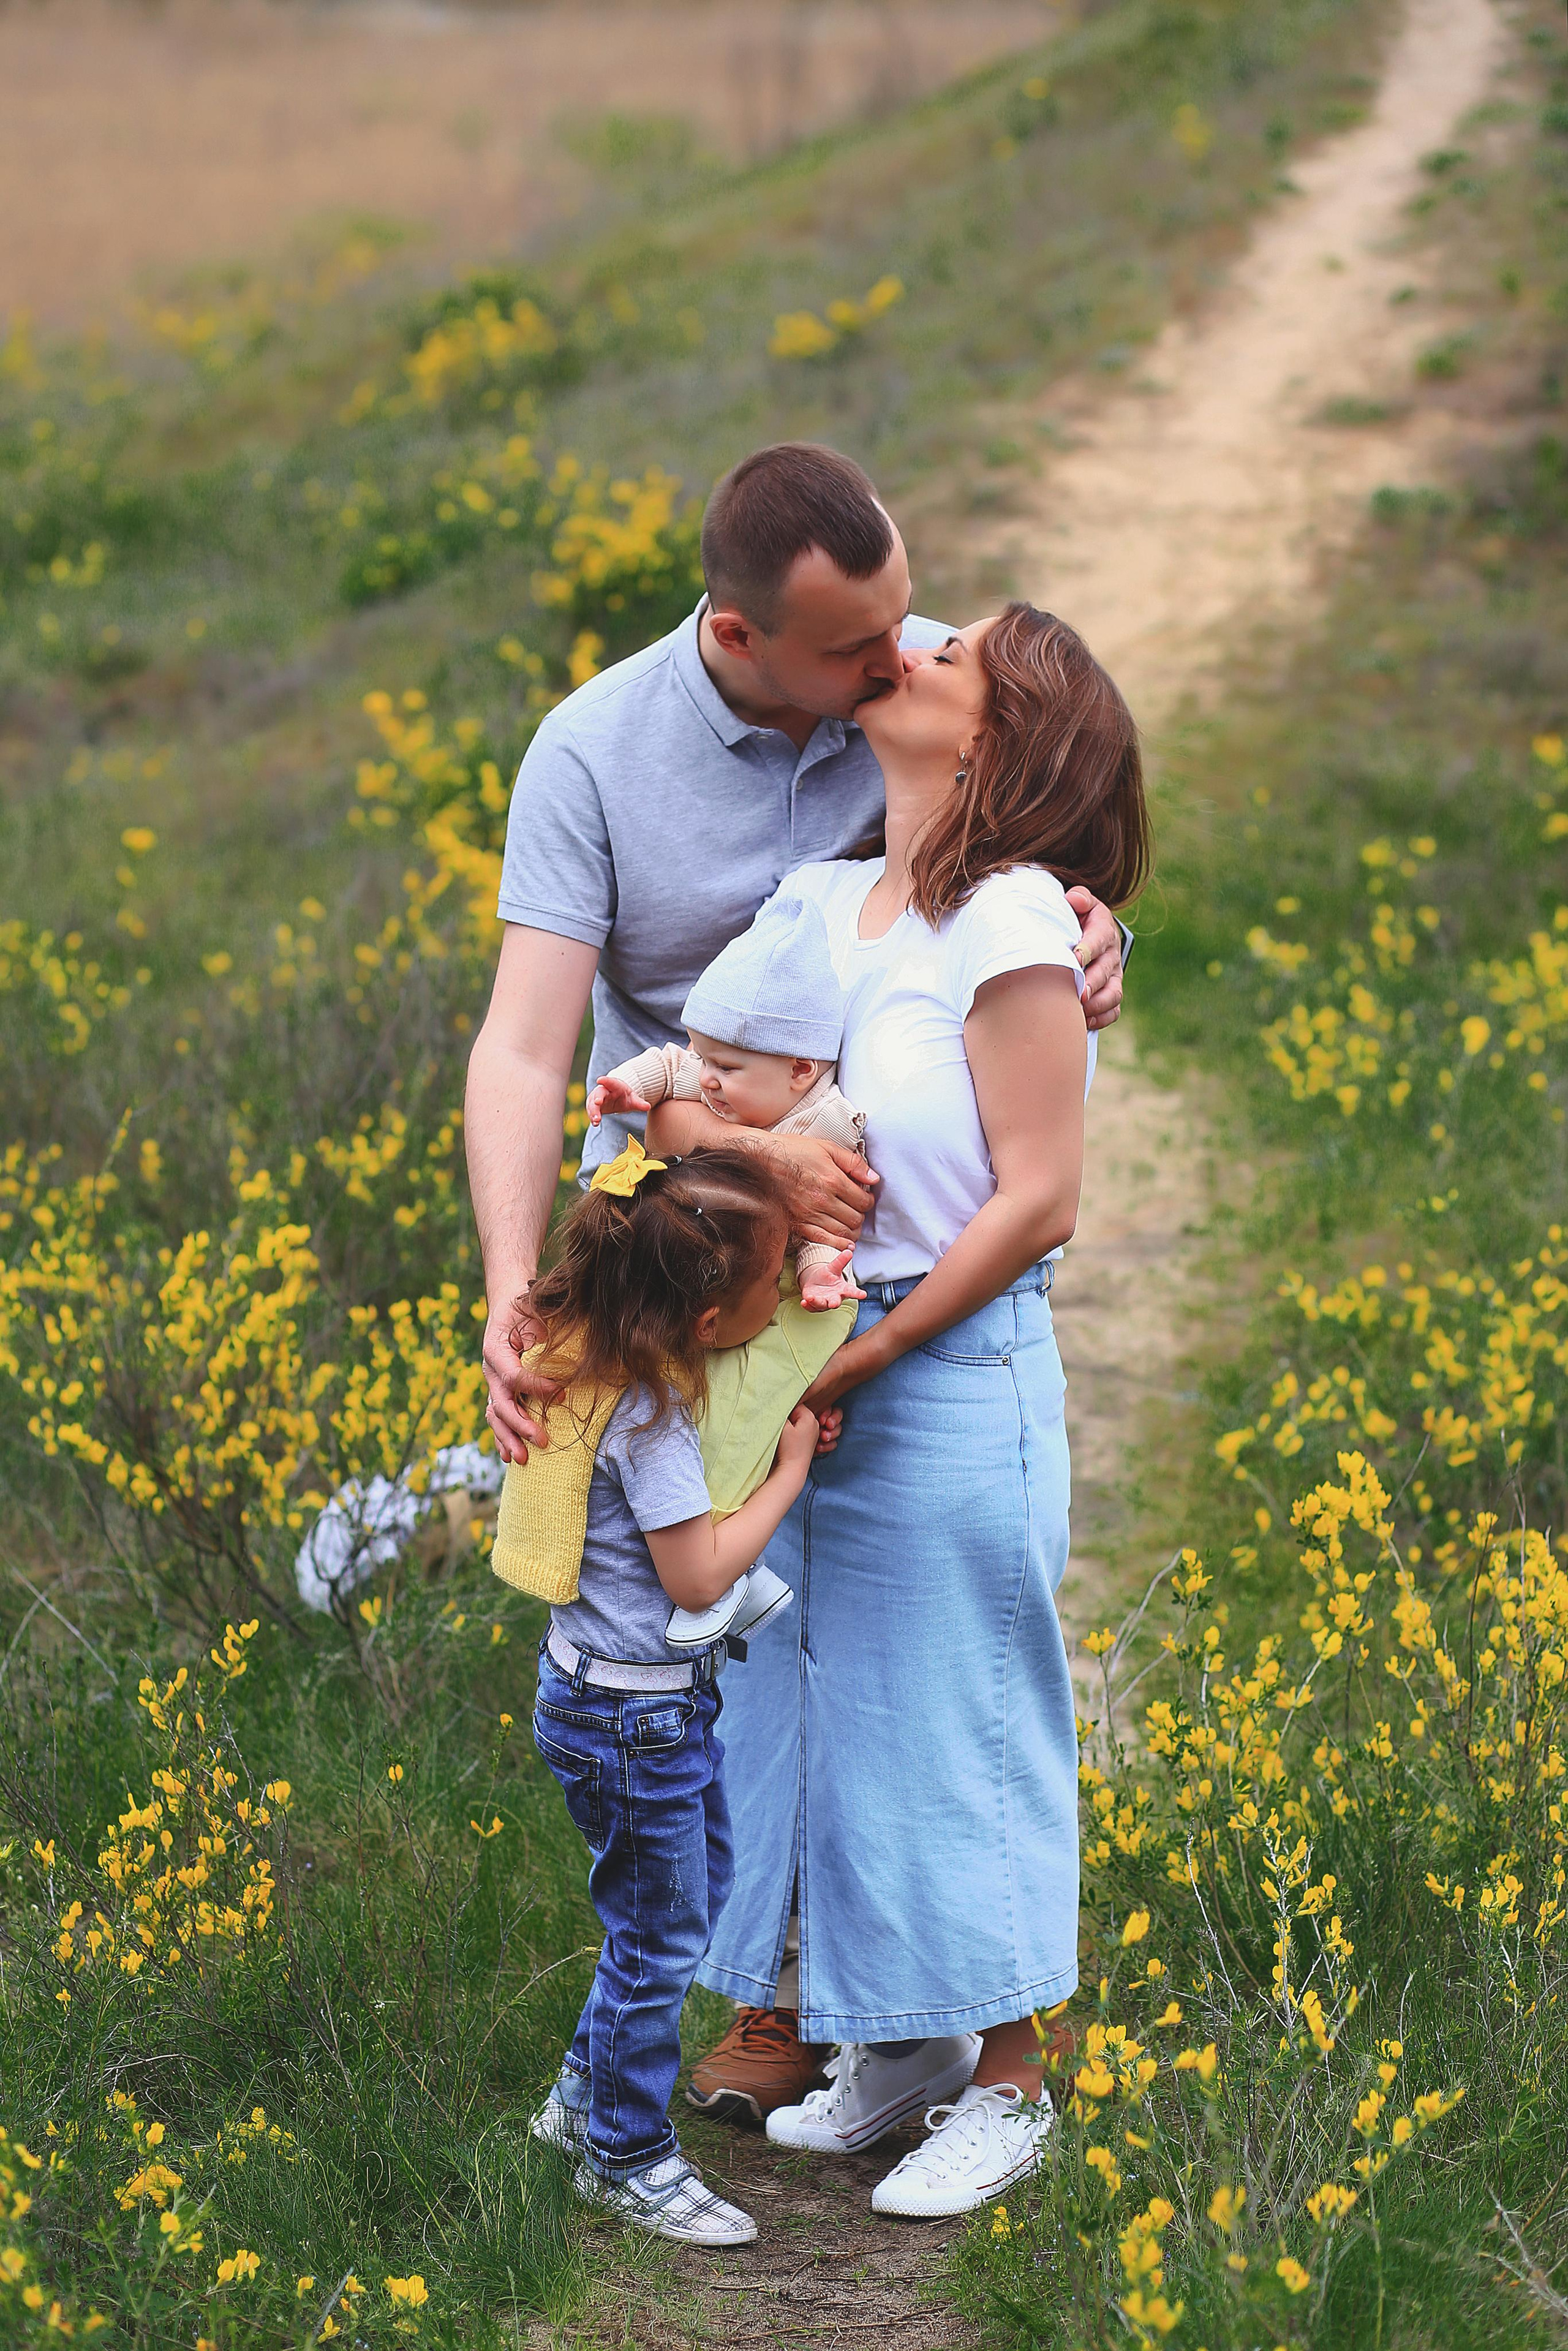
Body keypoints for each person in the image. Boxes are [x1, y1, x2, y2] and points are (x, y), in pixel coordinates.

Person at [467, 440, 1129, 2120]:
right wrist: (515, 1284)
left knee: (914, 1647)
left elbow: (1025, 819)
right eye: (859, 644)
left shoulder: (895, 703)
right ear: (741, 637)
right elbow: (530, 1044)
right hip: (693, 1237)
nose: (897, 651)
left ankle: (948, 2029)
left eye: (912, 622)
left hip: (874, 1273)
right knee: (742, 1633)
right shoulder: (597, 756)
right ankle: (781, 1990)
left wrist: (1086, 919)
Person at [647, 603, 1151, 2216]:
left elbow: (1039, 1197)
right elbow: (696, 1086)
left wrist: (870, 1352)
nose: (913, 643)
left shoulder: (1010, 917)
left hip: (944, 1356)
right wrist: (732, 1160)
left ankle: (1012, 2079)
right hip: (809, 1350)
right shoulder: (820, 902)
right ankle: (901, 2049)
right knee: (826, 1711)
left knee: (960, 1713)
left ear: (997, 740)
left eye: (957, 653)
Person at [523, 1138, 820, 2248]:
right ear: (704, 1318)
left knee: (676, 1907)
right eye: (773, 1278)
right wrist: (790, 1472)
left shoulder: (609, 1362)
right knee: (659, 1934)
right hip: (633, 1719)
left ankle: (580, 2099)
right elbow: (698, 1576)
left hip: (617, 1703)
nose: (782, 1295)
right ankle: (625, 2151)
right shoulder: (648, 1420)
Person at [589, 895, 867, 1311]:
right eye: (703, 1058)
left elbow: (823, 1223)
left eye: (725, 1067)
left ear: (799, 1071)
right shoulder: (715, 1082)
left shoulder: (827, 1123)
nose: (705, 1078)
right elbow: (669, 1065)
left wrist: (818, 1273)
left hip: (769, 1292)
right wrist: (628, 1085)